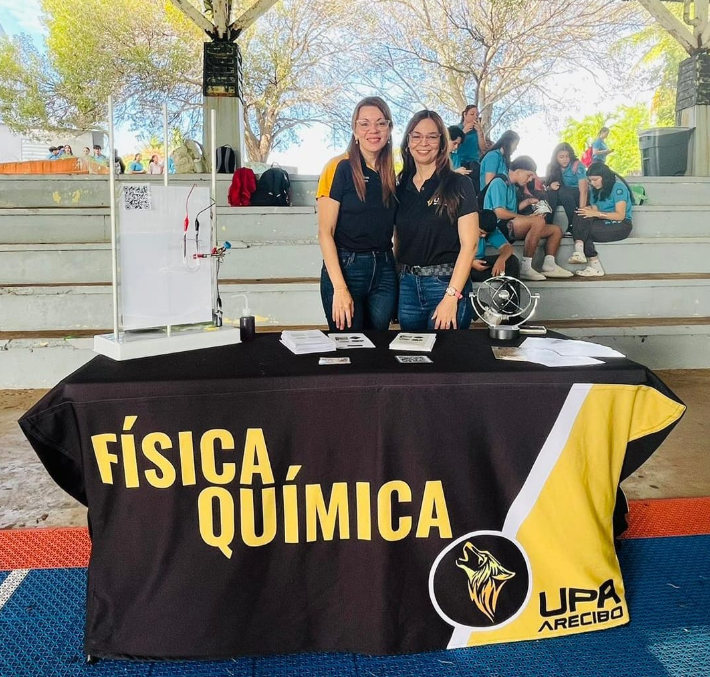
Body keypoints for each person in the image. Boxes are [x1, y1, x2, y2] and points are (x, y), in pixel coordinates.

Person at [316, 96, 397, 331]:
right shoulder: (338, 167)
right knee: (351, 349)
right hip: (347, 267)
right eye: (365, 123)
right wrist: (340, 288)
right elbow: (325, 232)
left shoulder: (391, 173)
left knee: (379, 348)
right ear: (354, 129)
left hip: (384, 268)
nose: (373, 130)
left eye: (381, 123)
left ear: (390, 129)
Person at [395, 110, 478, 330]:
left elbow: (470, 245)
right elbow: (397, 241)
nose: (424, 142)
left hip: (445, 285)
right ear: (408, 142)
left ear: (442, 142)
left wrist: (452, 296)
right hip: (408, 288)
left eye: (432, 136)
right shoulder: (399, 186)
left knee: (446, 361)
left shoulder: (459, 184)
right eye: (417, 136)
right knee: (412, 360)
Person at [483, 156, 572, 281]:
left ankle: (549, 265)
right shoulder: (499, 182)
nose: (530, 179)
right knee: (538, 221)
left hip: (511, 223)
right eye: (529, 175)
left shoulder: (512, 186)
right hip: (498, 227)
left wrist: (529, 202)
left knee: (555, 230)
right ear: (518, 171)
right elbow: (499, 212)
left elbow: (513, 209)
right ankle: (526, 267)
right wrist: (527, 218)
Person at [569, 161, 633, 277]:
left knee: (585, 228)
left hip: (621, 224)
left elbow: (620, 215)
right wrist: (587, 211)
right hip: (602, 222)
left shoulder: (618, 187)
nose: (592, 183)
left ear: (604, 177)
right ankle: (580, 252)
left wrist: (596, 213)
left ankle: (592, 262)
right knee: (580, 214)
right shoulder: (594, 190)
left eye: (595, 179)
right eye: (590, 181)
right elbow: (594, 210)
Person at [546, 142, 589, 230]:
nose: (565, 159)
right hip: (563, 195)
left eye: (567, 156)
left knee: (563, 191)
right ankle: (547, 223)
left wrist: (581, 211)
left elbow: (583, 190)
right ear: (556, 158)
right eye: (561, 157)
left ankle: (573, 223)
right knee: (552, 193)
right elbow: (546, 187)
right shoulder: (551, 167)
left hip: (577, 195)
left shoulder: (577, 165)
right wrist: (551, 186)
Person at [471, 210, 520, 282]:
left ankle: (511, 292)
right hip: (463, 265)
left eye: (486, 234)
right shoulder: (463, 228)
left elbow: (507, 247)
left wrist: (501, 260)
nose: (483, 236)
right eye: (481, 232)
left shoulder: (491, 229)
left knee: (512, 261)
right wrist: (471, 263)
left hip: (481, 262)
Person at [452, 104, 487, 189]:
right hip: (459, 161)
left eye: (477, 115)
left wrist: (480, 132)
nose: (475, 117)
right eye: (472, 114)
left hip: (474, 163)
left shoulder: (477, 131)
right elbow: (451, 145)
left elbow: (483, 148)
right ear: (465, 114)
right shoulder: (456, 129)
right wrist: (463, 132)